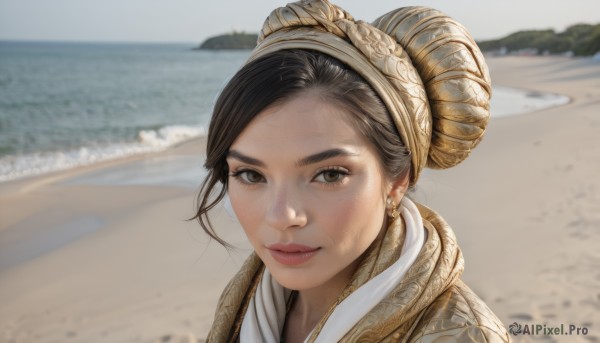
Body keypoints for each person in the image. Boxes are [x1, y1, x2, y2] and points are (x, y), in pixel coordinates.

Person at [194, 1, 511, 341]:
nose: (281, 216)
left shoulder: (465, 335)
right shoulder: (247, 303)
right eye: (251, 175)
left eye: (329, 174)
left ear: (398, 179)